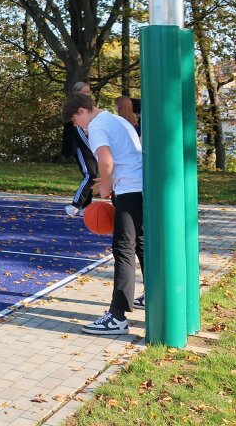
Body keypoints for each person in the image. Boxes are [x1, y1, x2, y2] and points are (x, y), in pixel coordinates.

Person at [62, 92, 145, 334]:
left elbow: (106, 162)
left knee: (123, 249)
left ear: (81, 112)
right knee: (139, 245)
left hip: (129, 189)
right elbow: (124, 157)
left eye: (75, 122)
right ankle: (153, 297)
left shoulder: (97, 126)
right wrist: (109, 180)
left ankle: (117, 317)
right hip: (137, 186)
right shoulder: (115, 119)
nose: (78, 127)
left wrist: (106, 188)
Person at [65, 81, 99, 218]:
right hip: (83, 148)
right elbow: (81, 136)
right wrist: (94, 147)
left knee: (92, 176)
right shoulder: (76, 114)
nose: (88, 94)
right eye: (85, 92)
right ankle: (75, 205)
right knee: (89, 175)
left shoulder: (90, 108)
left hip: (91, 147)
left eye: (89, 91)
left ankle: (85, 206)